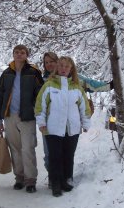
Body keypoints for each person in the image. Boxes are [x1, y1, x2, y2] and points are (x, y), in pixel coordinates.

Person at [41, 52, 112, 185]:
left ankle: (63, 179)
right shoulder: (42, 80)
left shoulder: (75, 80)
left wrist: (110, 86)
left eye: (52, 61)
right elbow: (39, 102)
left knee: (66, 153)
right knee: (50, 154)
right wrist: (41, 120)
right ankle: (54, 179)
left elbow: (91, 84)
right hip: (50, 124)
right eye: (46, 62)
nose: (49, 64)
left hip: (70, 124)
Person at [35, 56, 91, 197]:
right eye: (61, 66)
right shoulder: (49, 85)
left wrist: (85, 123)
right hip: (53, 127)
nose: (63, 69)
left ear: (71, 69)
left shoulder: (77, 87)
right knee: (55, 156)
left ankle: (66, 180)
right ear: (57, 68)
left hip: (72, 129)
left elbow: (84, 107)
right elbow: (40, 105)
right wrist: (41, 122)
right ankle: (55, 183)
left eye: (67, 66)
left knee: (68, 155)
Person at [0, 44, 44, 193]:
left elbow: (40, 95)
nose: (19, 55)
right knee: (15, 148)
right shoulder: (6, 74)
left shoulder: (34, 73)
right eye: (17, 52)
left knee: (27, 148)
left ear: (26, 55)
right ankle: (19, 178)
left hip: (27, 117)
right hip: (10, 116)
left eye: (22, 52)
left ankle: (31, 180)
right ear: (13, 54)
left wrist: (35, 110)